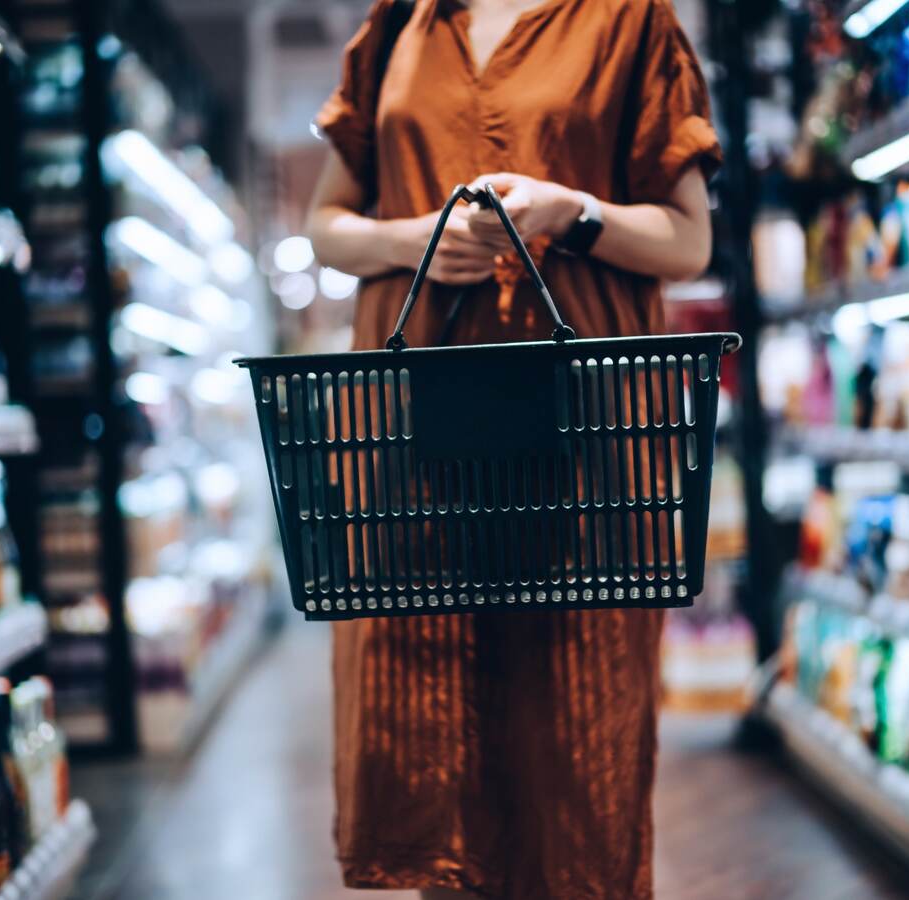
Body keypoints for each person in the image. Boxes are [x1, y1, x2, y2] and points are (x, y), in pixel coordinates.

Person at [306, 0, 721, 897]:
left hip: (588, 442)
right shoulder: (398, 26)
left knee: (578, 733)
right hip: (416, 434)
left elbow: (689, 241)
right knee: (433, 724)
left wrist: (570, 211)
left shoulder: (627, 22)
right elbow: (326, 225)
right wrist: (417, 239)